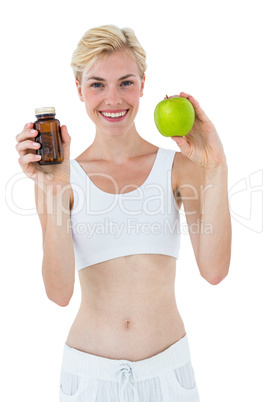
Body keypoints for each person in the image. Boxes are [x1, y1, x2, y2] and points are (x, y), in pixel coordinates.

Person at [15, 24, 231, 402]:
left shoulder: (179, 167)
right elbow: (59, 292)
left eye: (125, 83)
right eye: (97, 84)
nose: (112, 99)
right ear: (79, 89)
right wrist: (54, 190)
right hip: (89, 376)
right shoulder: (59, 178)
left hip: (168, 374)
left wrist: (216, 168)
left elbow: (214, 272)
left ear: (144, 84)